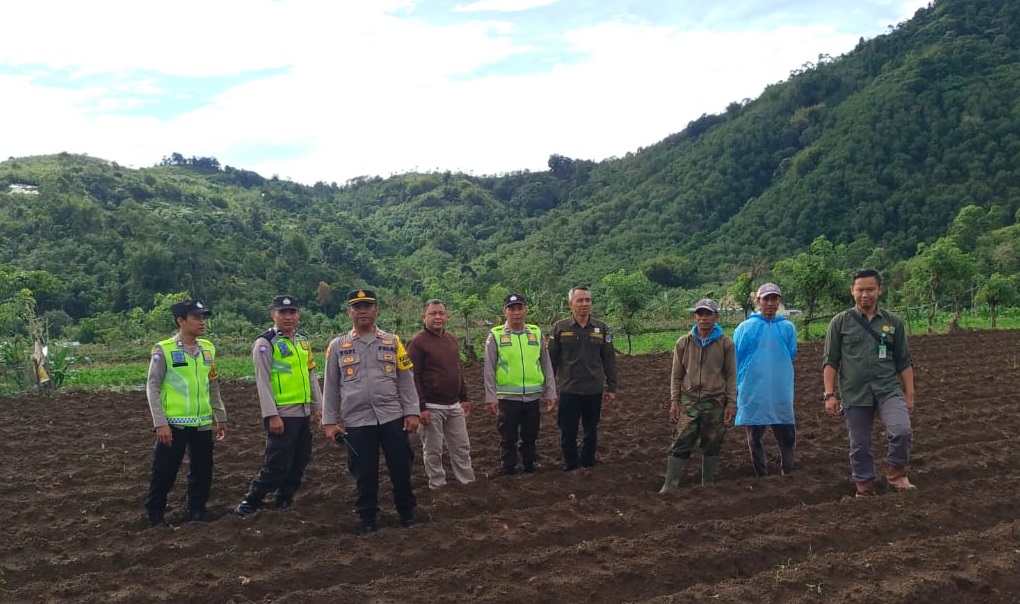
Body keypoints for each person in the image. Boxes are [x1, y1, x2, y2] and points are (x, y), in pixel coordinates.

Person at [322, 289, 420, 534]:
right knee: (364, 475)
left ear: (376, 310)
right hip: (357, 421)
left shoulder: (392, 341)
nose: (362, 311)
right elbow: (331, 386)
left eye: (367, 306)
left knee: (401, 469)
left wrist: (412, 412)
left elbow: (406, 379)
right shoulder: (337, 346)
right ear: (349, 312)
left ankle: (406, 514)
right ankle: (367, 519)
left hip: (392, 417)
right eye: (357, 307)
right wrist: (330, 422)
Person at [823, 268, 916, 497]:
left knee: (902, 431)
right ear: (852, 291)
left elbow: (904, 361)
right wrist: (829, 394)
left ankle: (895, 473)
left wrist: (909, 393)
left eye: (870, 289)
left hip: (888, 389)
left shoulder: (893, 322)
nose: (865, 294)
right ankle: (864, 484)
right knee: (860, 444)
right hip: (855, 392)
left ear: (880, 290)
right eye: (860, 290)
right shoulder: (840, 323)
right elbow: (831, 361)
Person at [234, 295, 323, 517]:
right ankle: (251, 500)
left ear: (298, 315)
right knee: (276, 461)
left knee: (301, 458)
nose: (288, 317)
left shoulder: (303, 342)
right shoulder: (265, 343)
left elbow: (311, 375)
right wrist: (271, 415)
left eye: (292, 312)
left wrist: (320, 407)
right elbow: (262, 382)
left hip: (302, 412)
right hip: (283, 413)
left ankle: (285, 497)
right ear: (273, 314)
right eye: (282, 312)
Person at [144, 299, 227, 527]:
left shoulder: (208, 349)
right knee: (165, 471)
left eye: (203, 318)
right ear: (181, 321)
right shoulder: (164, 350)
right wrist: (160, 423)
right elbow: (153, 386)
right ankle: (155, 514)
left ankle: (196, 511)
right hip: (174, 424)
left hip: (202, 422)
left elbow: (213, 383)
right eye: (196, 318)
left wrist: (220, 416)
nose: (202, 322)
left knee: (202, 470)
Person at [659, 298, 736, 492]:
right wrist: (674, 401)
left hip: (715, 401)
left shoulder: (726, 344)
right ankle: (669, 485)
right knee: (681, 442)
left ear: (716, 316)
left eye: (708, 314)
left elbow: (731, 375)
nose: (704, 318)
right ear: (695, 317)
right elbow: (676, 375)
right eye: (700, 314)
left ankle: (707, 484)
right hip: (689, 401)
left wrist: (731, 403)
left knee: (712, 442)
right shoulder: (683, 343)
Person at [484, 293, 557, 476]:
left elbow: (546, 364)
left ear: (526, 310)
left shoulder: (536, 333)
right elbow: (489, 369)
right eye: (512, 309)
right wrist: (490, 397)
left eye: (519, 308)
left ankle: (529, 464)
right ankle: (508, 468)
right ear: (505, 312)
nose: (516, 313)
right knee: (508, 436)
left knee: (530, 434)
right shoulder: (496, 335)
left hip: (533, 396)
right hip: (507, 397)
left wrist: (551, 392)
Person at [406, 299, 476, 490]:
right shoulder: (417, 342)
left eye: (441, 313)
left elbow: (458, 369)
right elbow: (413, 376)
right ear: (424, 317)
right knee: (434, 450)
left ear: (447, 316)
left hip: (453, 405)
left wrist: (464, 397)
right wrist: (420, 408)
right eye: (433, 313)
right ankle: (437, 485)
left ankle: (467, 482)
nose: (438, 317)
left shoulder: (451, 339)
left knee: (461, 446)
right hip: (431, 406)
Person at [548, 286, 618, 471]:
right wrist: (550, 389)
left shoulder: (601, 328)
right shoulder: (560, 327)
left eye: (587, 300)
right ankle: (570, 464)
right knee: (568, 431)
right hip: (569, 389)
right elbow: (552, 361)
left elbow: (609, 358)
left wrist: (612, 387)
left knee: (591, 431)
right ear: (570, 304)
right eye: (580, 300)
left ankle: (588, 461)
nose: (584, 304)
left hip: (593, 389)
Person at [733, 283, 798, 477]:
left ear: (779, 301)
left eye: (774, 299)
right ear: (758, 301)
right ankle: (762, 475)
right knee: (755, 437)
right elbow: (736, 357)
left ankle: (788, 472)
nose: (770, 303)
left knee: (787, 436)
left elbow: (791, 353)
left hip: (780, 389)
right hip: (753, 389)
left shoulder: (787, 328)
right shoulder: (745, 328)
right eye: (766, 299)